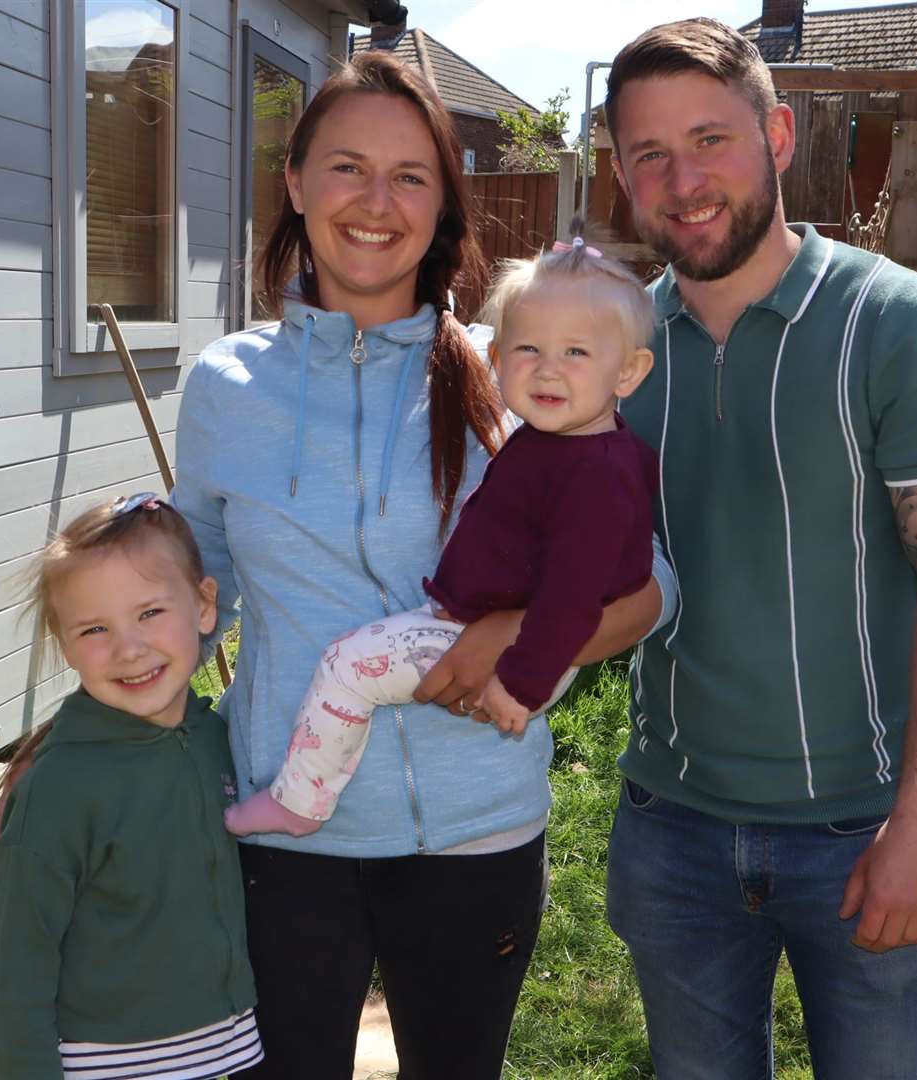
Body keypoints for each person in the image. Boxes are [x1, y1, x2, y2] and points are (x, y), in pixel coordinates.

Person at [169, 51, 675, 1079]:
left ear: (443, 202)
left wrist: (511, 637)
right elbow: (196, 596)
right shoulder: (225, 385)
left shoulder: (515, 373)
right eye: (346, 167)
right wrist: (87, 736)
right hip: (291, 838)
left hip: (474, 834)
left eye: (411, 176)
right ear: (296, 182)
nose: (375, 202)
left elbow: (652, 584)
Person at [599, 18, 917, 1079]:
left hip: (862, 835)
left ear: (778, 134)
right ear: (620, 173)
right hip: (670, 827)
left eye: (710, 140)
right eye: (649, 153)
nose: (682, 180)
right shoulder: (616, 359)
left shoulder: (906, 330)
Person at [223, 232, 658, 838]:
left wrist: (521, 684)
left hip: (518, 652)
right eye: (528, 348)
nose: (548, 369)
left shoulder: (594, 475)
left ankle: (299, 800)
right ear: (499, 361)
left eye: (577, 353)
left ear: (628, 372)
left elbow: (576, 593)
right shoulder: (564, 440)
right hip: (507, 634)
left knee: (349, 666)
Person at [0, 493, 261, 1080]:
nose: (128, 649)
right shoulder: (57, 789)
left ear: (205, 606)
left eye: (150, 612)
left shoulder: (217, 738)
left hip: (231, 1050)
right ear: (64, 643)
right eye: (95, 629)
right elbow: (13, 979)